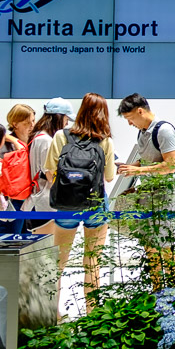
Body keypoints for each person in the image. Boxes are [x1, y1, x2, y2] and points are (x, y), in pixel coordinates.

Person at [44, 92, 116, 308]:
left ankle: (53, 315)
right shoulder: (105, 140)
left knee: (59, 263)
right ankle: (92, 315)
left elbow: (49, 173)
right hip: (95, 204)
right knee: (92, 263)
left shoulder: (61, 136)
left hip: (66, 205)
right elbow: (110, 177)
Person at [116, 93, 175, 286]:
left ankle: (171, 289)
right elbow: (147, 161)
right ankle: (156, 288)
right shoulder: (142, 132)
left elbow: (170, 165)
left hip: (164, 196)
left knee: (164, 245)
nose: (130, 124)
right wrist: (129, 167)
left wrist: (139, 170)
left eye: (130, 119)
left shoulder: (164, 130)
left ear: (140, 111)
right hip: (147, 194)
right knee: (149, 245)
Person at [23, 97, 74, 237]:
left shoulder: (38, 137)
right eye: (66, 118)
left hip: (40, 201)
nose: (67, 123)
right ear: (58, 117)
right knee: (46, 252)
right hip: (45, 203)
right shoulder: (46, 140)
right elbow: (50, 174)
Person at [0, 103, 37, 234]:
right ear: (15, 123)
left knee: (30, 243)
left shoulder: (35, 141)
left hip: (31, 198)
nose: (32, 125)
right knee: (10, 242)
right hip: (12, 200)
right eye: (27, 123)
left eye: (33, 121)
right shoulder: (5, 145)